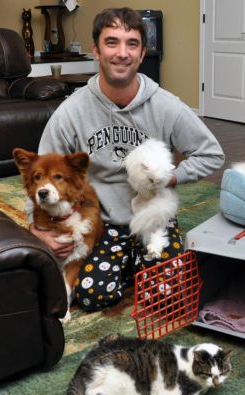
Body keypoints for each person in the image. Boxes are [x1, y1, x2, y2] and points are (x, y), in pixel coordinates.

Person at [28, 7, 225, 311]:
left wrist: (170, 177)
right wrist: (39, 230)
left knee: (167, 298)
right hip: (101, 224)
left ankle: (142, 261)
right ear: (96, 50)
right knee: (93, 295)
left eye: (131, 43)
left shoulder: (166, 105)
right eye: (112, 42)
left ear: (142, 53)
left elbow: (212, 154)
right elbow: (40, 175)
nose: (122, 53)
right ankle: (130, 263)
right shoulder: (71, 111)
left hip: (153, 218)